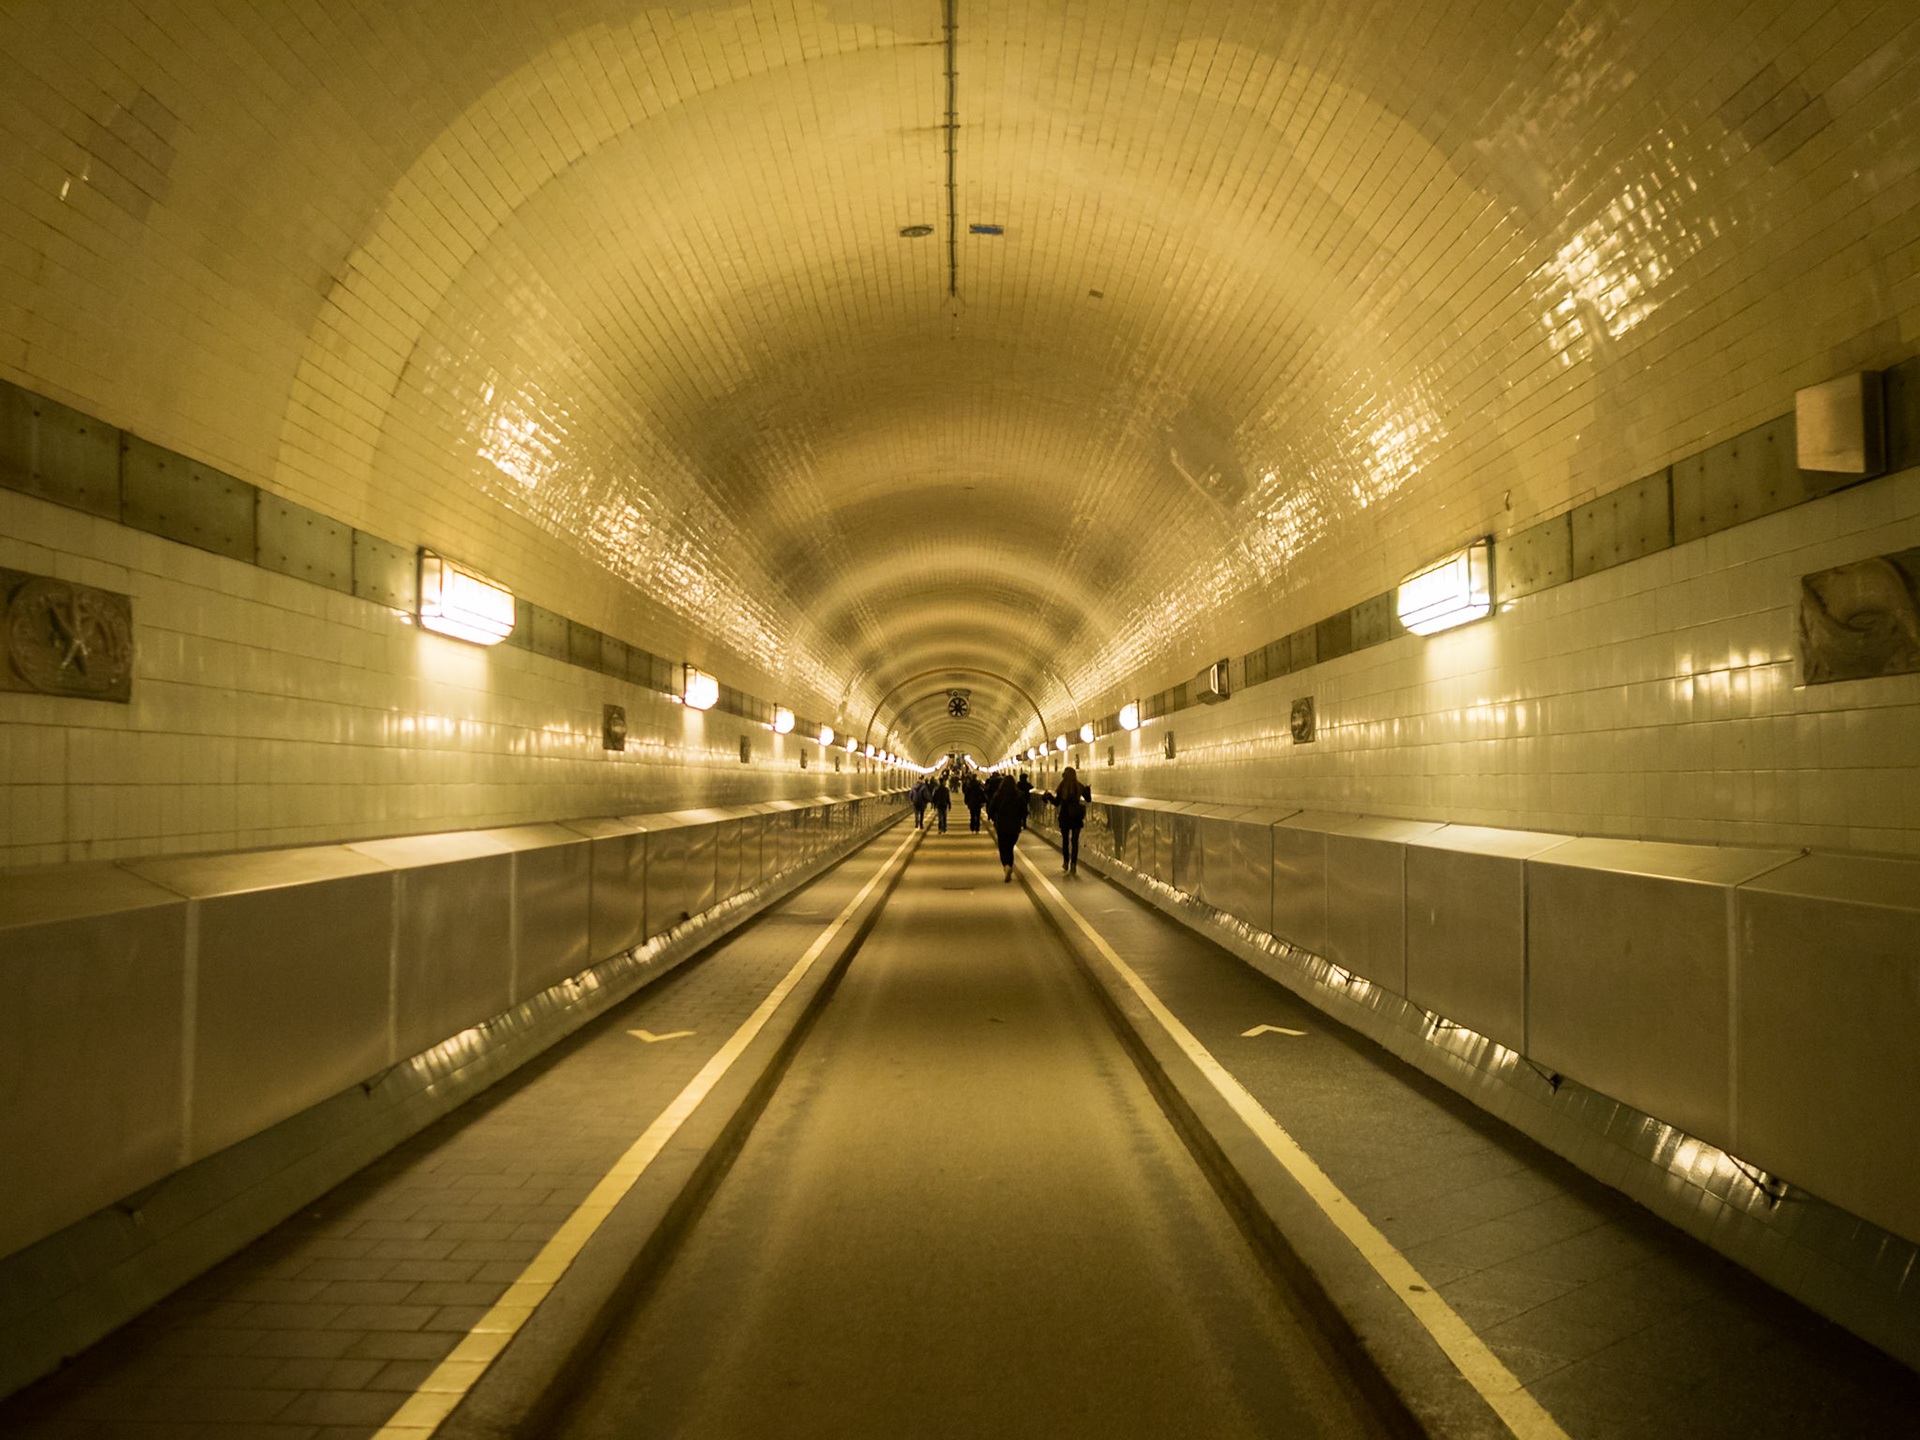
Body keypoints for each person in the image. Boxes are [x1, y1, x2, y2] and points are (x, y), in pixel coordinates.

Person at [1046, 766, 1090, 876]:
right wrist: (1088, 790)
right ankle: (1074, 864)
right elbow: (1088, 799)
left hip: (1065, 816)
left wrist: (1049, 796)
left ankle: (1066, 862)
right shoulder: (1079, 786)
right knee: (1075, 842)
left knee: (1065, 840)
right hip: (1076, 816)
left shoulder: (1062, 787)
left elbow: (1056, 803)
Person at [987, 771, 1027, 881]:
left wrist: (992, 818)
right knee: (1010, 848)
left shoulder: (998, 795)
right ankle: (1010, 865)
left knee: (1003, 848)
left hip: (1002, 825)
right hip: (1014, 826)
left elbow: (991, 808)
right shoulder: (1019, 795)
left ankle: (1006, 866)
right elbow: (1024, 811)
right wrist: (1022, 821)